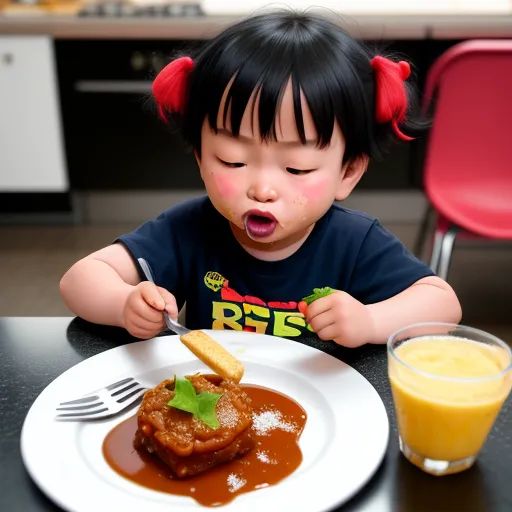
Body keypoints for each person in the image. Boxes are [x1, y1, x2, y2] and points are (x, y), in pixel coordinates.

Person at [60, 9, 462, 347]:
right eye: (234, 160)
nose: (263, 189)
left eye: (297, 169)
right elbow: (80, 280)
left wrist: (370, 321)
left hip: (322, 414)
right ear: (201, 157)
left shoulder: (354, 243)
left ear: (348, 172)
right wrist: (124, 303)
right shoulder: (189, 230)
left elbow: (443, 305)